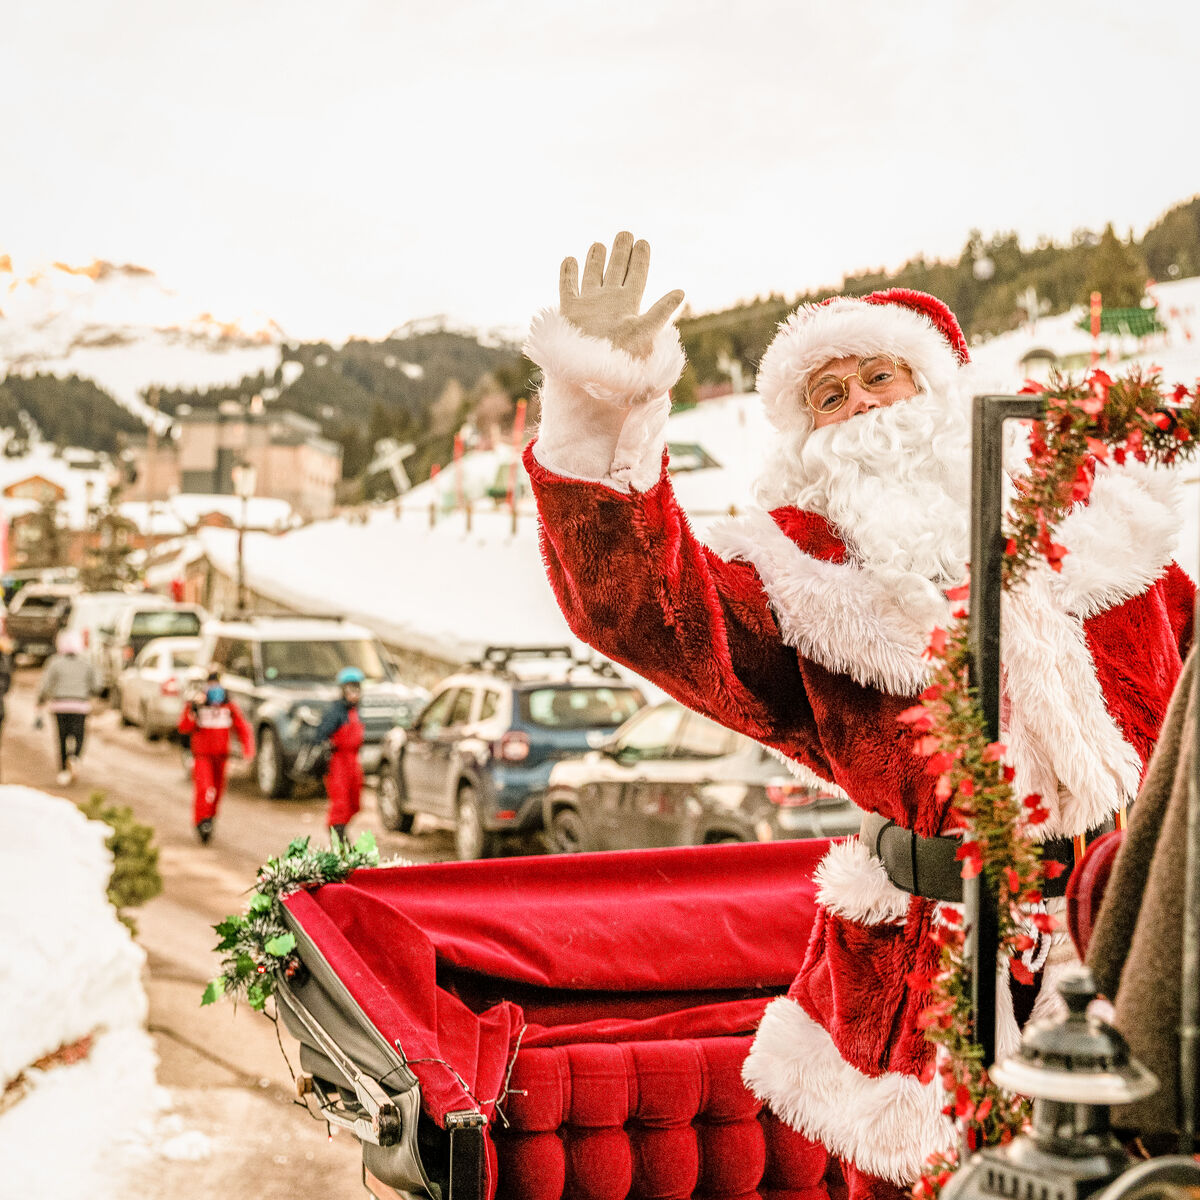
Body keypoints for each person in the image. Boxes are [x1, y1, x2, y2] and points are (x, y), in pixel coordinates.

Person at [521, 233, 1195, 1200]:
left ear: (946, 394)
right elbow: (645, 608)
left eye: (883, 376)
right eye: (829, 398)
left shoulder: (1103, 529)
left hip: (1123, 939)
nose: (863, 407)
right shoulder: (805, 571)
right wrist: (602, 405)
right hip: (922, 973)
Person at [178, 668, 253, 844]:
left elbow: (242, 728)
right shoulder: (196, 705)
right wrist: (194, 709)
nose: (214, 688)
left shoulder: (229, 706)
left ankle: (210, 818)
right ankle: (202, 820)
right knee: (204, 788)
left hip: (221, 756)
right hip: (202, 755)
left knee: (217, 791)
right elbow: (184, 727)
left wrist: (247, 750)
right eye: (211, 684)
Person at [37, 630, 99, 786]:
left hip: (59, 706)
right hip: (80, 706)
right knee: (79, 735)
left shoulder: (54, 662)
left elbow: (45, 685)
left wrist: (41, 699)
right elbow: (96, 685)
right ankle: (75, 757)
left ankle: (64, 770)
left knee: (62, 737)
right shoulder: (86, 663)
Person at [312, 666, 365, 843]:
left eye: (357, 688)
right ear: (343, 690)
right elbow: (320, 736)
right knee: (340, 804)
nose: (354, 693)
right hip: (338, 763)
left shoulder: (356, 711)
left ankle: (341, 833)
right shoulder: (335, 712)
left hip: (353, 762)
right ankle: (339, 839)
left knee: (354, 802)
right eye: (350, 689)